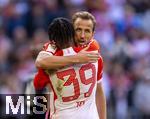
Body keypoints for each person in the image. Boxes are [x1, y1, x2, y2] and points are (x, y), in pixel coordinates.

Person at [34, 12, 106, 119]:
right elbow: (99, 91)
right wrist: (77, 58)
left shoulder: (50, 63)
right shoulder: (94, 55)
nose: (82, 35)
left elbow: (38, 79)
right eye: (78, 30)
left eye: (86, 31)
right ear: (72, 32)